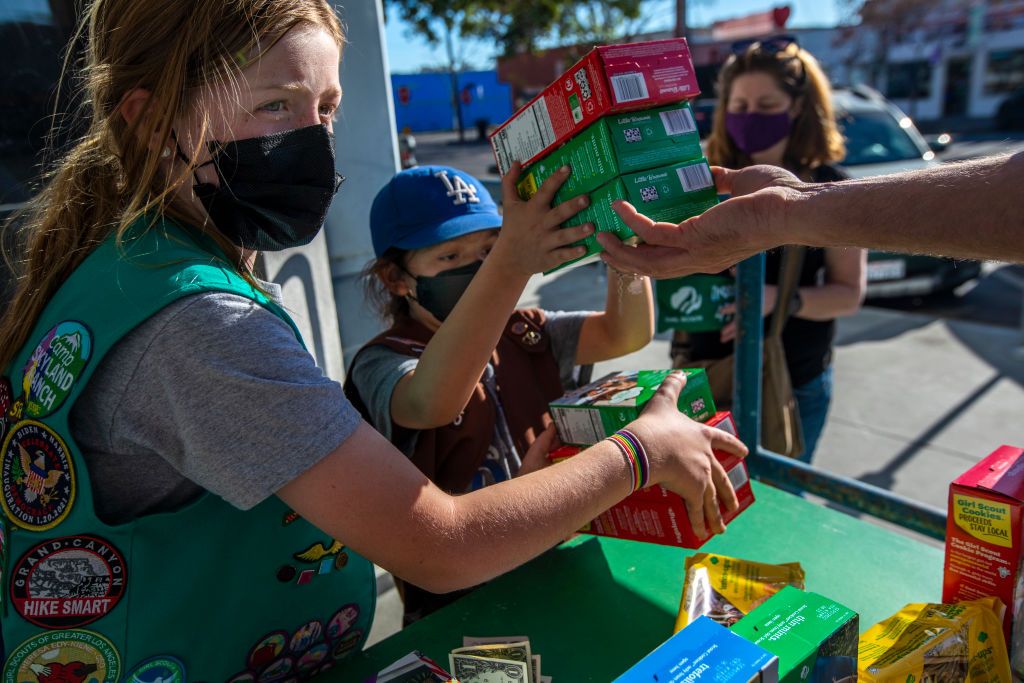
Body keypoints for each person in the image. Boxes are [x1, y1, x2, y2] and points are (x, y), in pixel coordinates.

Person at [0, 0, 745, 676]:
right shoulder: (198, 326)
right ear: (153, 121)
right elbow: (439, 543)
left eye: (325, 108)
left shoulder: (136, 270)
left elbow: (619, 331)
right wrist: (642, 452)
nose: (312, 141)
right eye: (274, 105)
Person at [346, 165, 655, 623]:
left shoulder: (526, 331)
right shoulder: (383, 361)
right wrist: (508, 264)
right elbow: (431, 402)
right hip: (461, 603)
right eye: (450, 258)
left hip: (555, 557)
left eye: (490, 249)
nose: (478, 267)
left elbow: (624, 334)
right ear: (396, 278)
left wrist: (620, 247)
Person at [661, 38, 865, 462]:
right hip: (697, 374)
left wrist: (779, 300)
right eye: (739, 106)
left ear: (796, 108)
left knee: (784, 506)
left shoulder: (834, 187)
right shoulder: (700, 178)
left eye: (767, 106)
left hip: (791, 381)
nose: (750, 118)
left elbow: (848, 293)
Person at [596, 152, 1024, 277]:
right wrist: (785, 209)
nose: (750, 117)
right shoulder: (722, 181)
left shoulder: (830, 176)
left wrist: (784, 211)